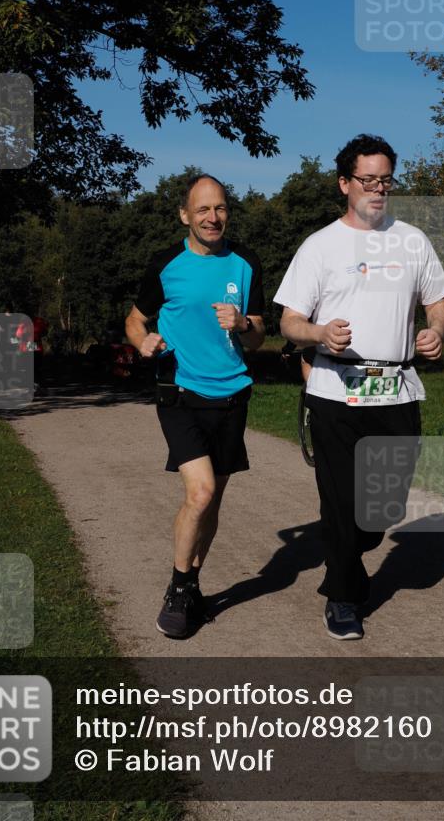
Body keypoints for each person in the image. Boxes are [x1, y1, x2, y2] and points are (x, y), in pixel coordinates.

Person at [275, 134, 444, 640]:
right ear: (344, 184)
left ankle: (351, 559)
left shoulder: (413, 240)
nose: (378, 189)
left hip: (396, 388)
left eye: (385, 180)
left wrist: (435, 330)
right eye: (367, 180)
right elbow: (289, 322)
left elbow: (438, 301)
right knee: (339, 501)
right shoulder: (320, 246)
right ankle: (343, 596)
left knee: (384, 508)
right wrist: (318, 334)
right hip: (335, 390)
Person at [125, 174, 266, 638]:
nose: (213, 217)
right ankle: (179, 587)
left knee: (213, 500)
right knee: (200, 492)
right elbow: (135, 319)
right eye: (203, 209)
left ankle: (192, 584)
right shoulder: (165, 265)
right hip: (180, 391)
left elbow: (261, 335)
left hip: (231, 395)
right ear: (185, 215)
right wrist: (142, 342)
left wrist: (244, 322)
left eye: (220, 208)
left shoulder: (245, 264)